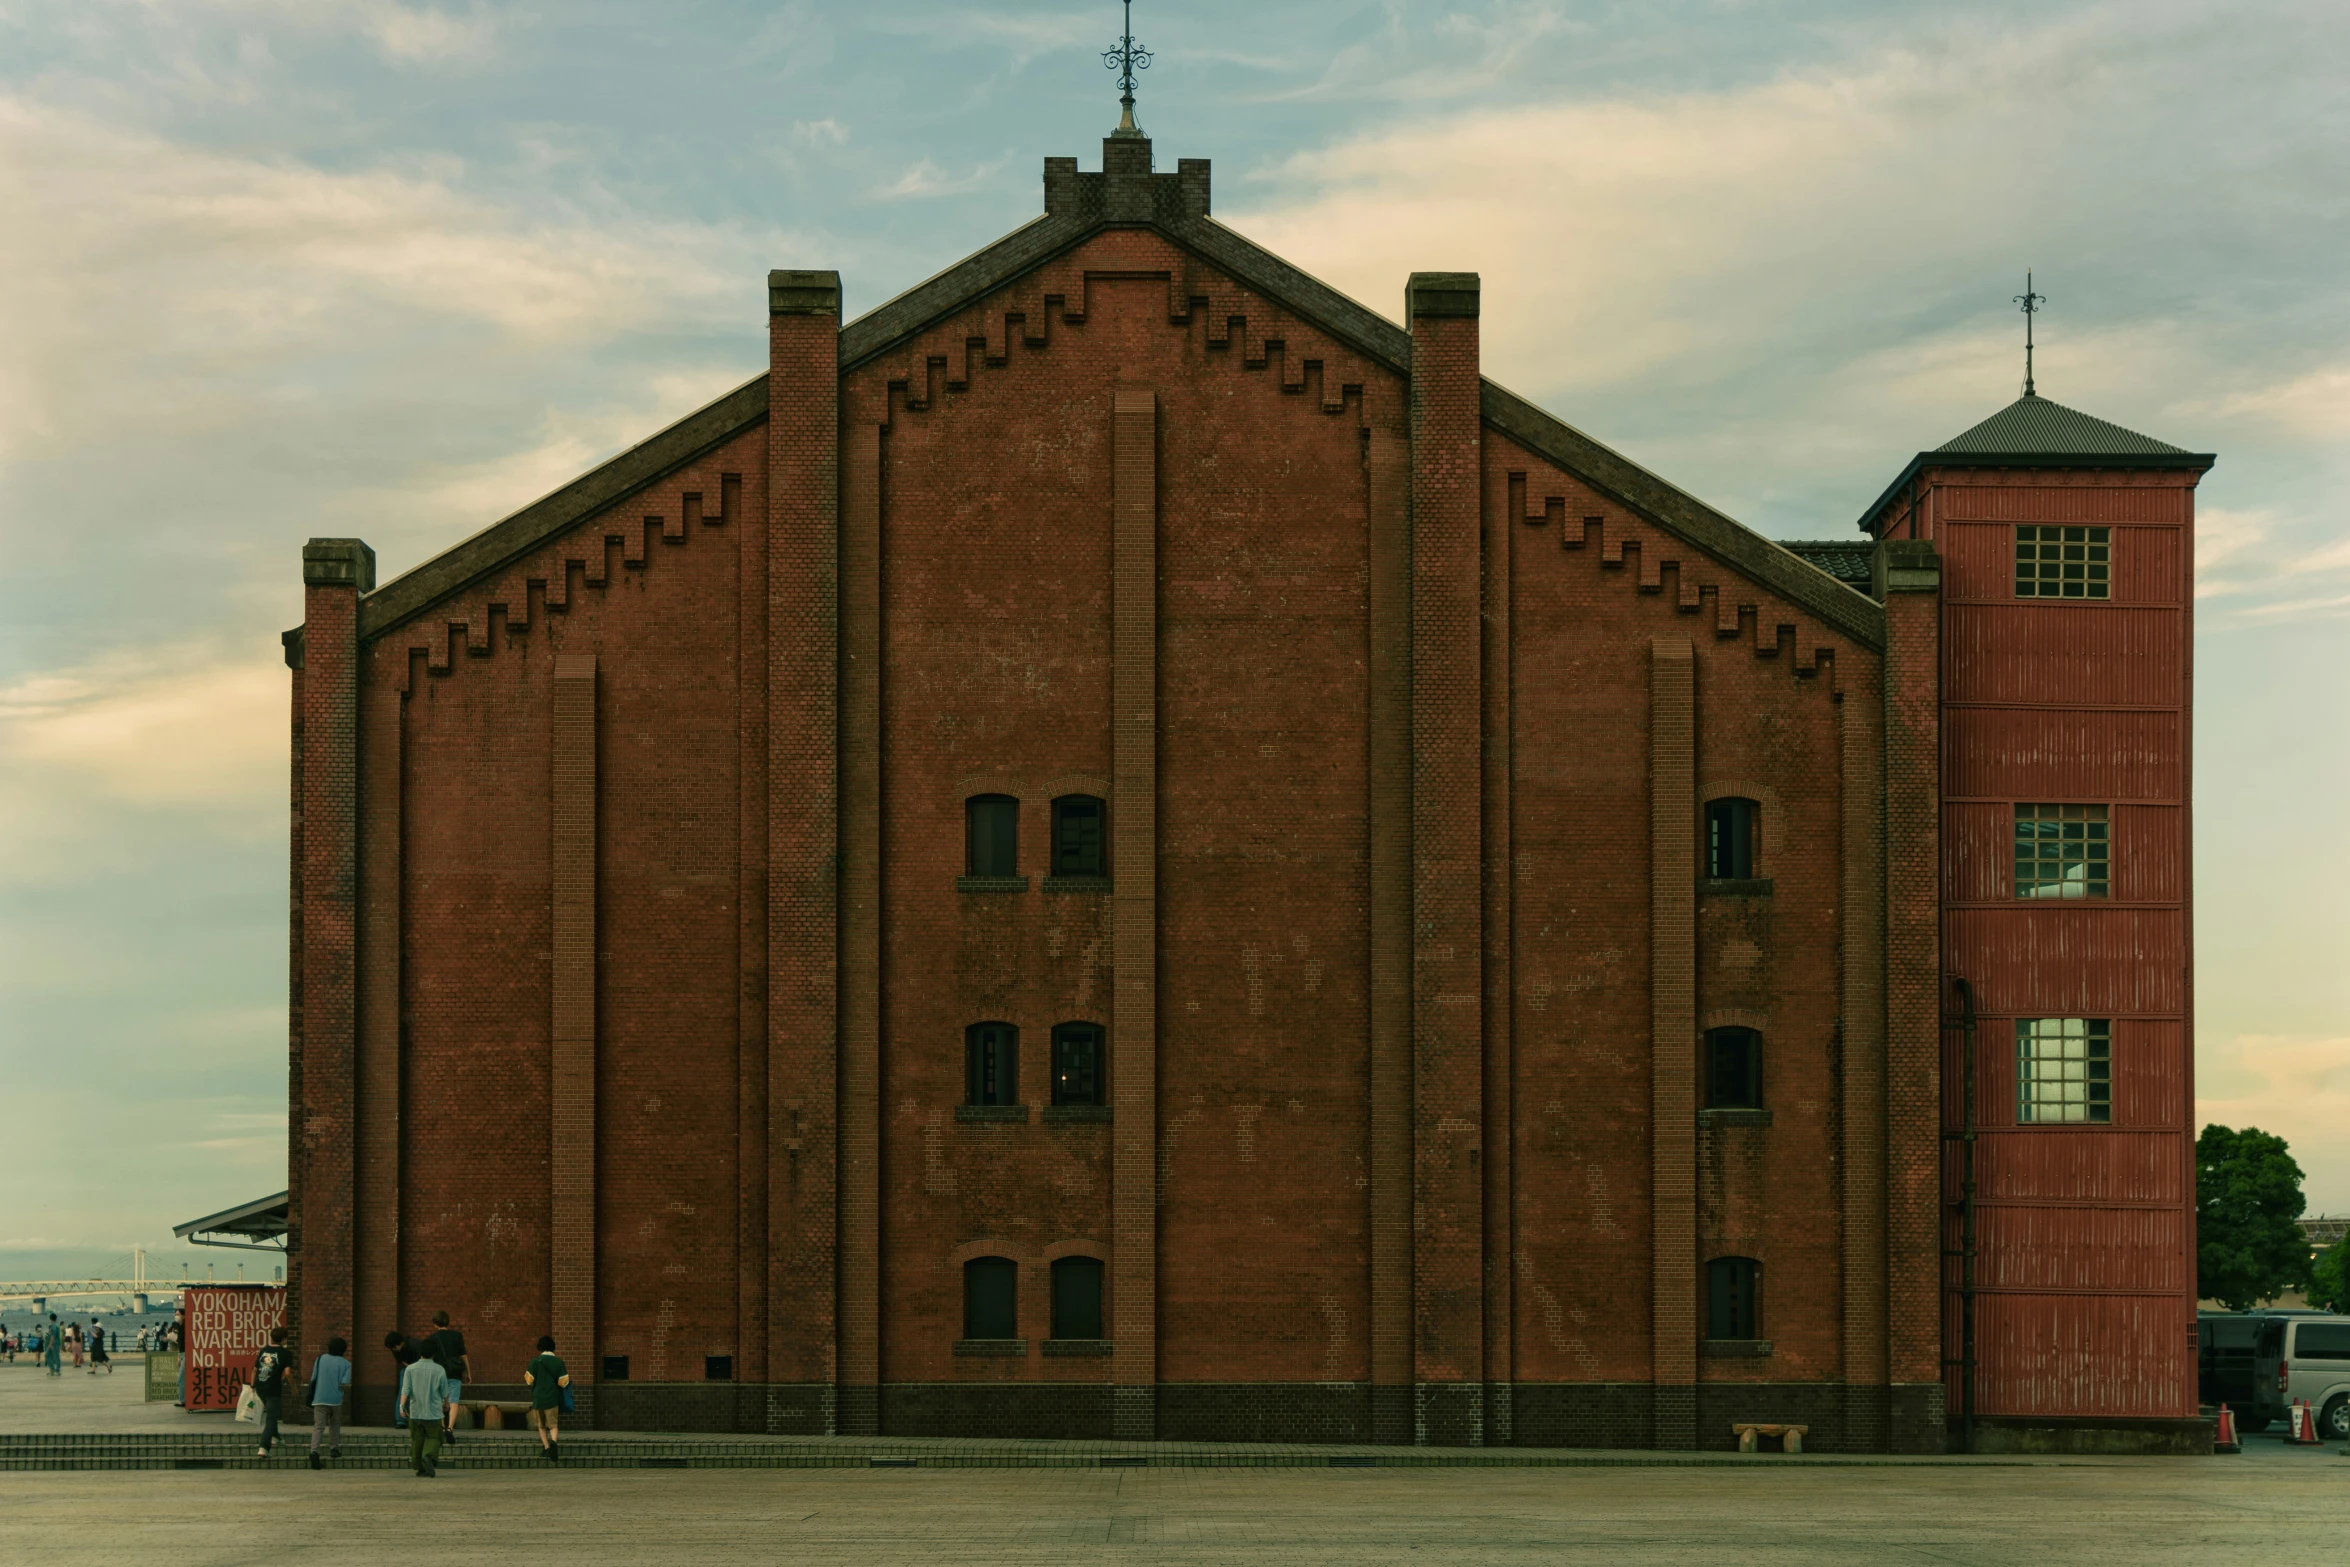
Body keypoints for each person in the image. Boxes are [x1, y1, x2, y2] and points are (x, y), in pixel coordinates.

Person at [396, 1346, 449, 1478]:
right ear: (434, 1354)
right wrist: (446, 1403)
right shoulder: (439, 1369)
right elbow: (444, 1391)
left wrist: (401, 1406)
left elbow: (405, 1389)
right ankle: (428, 1456)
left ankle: (420, 1468)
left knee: (417, 1440)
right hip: (434, 1412)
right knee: (435, 1437)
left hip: (416, 1412)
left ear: (420, 1353)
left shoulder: (410, 1369)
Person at [250, 1325, 295, 1460]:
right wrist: (294, 1388)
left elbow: (254, 1369)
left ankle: (276, 1436)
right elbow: (287, 1373)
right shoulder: (286, 1353)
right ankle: (264, 1447)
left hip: (260, 1386)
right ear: (283, 1338)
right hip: (273, 1388)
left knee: (272, 1412)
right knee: (271, 1417)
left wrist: (252, 1386)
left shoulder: (264, 1350)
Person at [307, 1336, 352, 1470]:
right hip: (335, 1399)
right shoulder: (346, 1363)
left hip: (319, 1397)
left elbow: (313, 1378)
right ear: (343, 1350)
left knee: (318, 1426)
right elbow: (344, 1382)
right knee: (335, 1423)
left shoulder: (320, 1359)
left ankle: (314, 1451)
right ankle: (334, 1448)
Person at [523, 1334, 570, 1462]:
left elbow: (528, 1380)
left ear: (540, 1347)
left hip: (538, 1398)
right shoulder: (558, 1362)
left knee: (541, 1425)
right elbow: (564, 1382)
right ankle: (554, 1442)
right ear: (553, 1347)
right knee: (553, 1425)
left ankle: (547, 1448)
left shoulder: (535, 1362)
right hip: (552, 1398)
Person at [426, 1311, 470, 1444]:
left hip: (438, 1373)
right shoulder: (457, 1336)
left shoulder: (432, 1338)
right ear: (447, 1321)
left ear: (434, 1324)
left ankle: (442, 1427)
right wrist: (468, 1372)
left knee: (439, 1400)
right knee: (454, 1401)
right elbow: (463, 1356)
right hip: (454, 1372)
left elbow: (430, 1358)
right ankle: (450, 1428)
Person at [382, 1329, 428, 1427]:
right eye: (392, 1348)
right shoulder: (394, 1349)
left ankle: (420, 1419)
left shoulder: (414, 1344)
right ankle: (401, 1420)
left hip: (420, 1370)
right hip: (407, 1369)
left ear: (401, 1342)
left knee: (420, 1393)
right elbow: (401, 1361)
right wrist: (410, 1368)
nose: (394, 1350)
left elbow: (424, 1358)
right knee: (403, 1393)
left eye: (395, 1347)